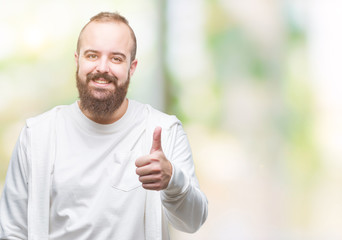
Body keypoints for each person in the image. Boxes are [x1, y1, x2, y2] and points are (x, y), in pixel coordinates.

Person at [0, 12, 208, 240]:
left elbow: (193, 222)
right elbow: (12, 231)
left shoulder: (164, 130)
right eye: (92, 55)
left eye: (116, 58)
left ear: (132, 67)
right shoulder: (37, 134)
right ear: (77, 60)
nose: (102, 68)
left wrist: (173, 180)